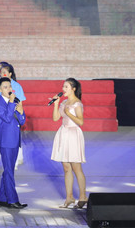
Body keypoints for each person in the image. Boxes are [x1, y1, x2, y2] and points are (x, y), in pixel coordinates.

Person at [51, 78, 87, 209]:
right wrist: (56, 104)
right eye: (63, 86)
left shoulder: (77, 103)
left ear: (73, 89)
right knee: (66, 167)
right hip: (63, 133)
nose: (63, 89)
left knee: (76, 167)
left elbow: (80, 122)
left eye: (66, 87)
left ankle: (83, 196)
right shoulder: (64, 102)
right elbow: (56, 118)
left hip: (73, 134)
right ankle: (69, 197)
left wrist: (68, 113)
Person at [0, 77, 27, 209]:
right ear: (0, 89)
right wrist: (11, 103)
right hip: (6, 142)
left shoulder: (15, 101)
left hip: (15, 141)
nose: (9, 89)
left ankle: (2, 199)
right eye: (5, 87)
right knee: (8, 171)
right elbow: (7, 118)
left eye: (10, 86)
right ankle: (12, 200)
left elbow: (22, 121)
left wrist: (21, 112)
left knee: (9, 170)